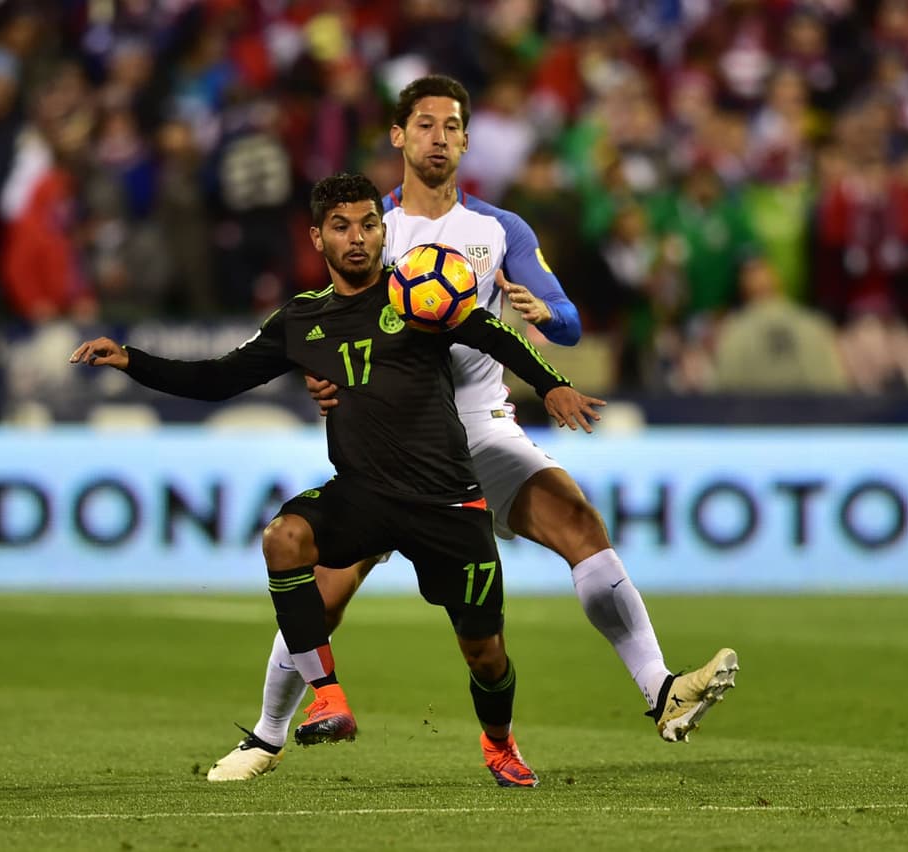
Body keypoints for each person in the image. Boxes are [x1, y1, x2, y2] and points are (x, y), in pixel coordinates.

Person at [208, 75, 738, 783]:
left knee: (579, 523)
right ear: (398, 136)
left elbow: (570, 317)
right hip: (395, 436)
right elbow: (320, 326)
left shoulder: (498, 231)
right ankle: (268, 737)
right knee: (324, 594)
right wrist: (321, 373)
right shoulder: (370, 225)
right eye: (424, 124)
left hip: (480, 426)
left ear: (465, 139)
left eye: (452, 126)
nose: (438, 137)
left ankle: (662, 691)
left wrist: (546, 317)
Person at [71, 172, 605, 787]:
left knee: (485, 654)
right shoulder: (300, 320)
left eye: (370, 224)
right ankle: (328, 699)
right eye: (342, 227)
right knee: (283, 539)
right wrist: (132, 360)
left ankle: (499, 743)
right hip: (365, 493)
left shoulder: (419, 295)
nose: (359, 238)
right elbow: (218, 379)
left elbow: (493, 334)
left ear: (383, 230)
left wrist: (552, 383)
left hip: (448, 501)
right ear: (317, 238)